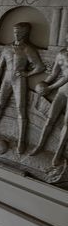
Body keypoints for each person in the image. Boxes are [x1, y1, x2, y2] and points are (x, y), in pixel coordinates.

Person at [0, 22, 45, 154]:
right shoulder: (6, 48)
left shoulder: (27, 49)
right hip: (6, 78)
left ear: (25, 33)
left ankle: (21, 140)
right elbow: (0, 66)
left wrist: (27, 73)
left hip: (19, 80)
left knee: (21, 110)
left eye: (19, 31)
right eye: (15, 31)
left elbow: (40, 67)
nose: (16, 33)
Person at [30, 36, 68, 165]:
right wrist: (43, 84)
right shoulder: (61, 54)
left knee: (67, 125)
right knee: (50, 118)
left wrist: (50, 87)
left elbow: (67, 77)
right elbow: (54, 73)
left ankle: (57, 154)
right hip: (62, 91)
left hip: (63, 88)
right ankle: (40, 145)